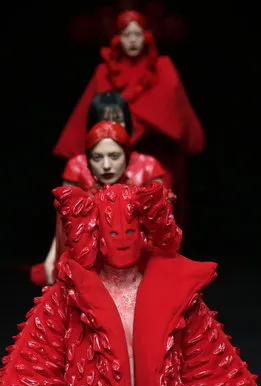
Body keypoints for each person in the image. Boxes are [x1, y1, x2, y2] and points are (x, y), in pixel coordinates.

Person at [0, 182, 261, 386]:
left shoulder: (176, 292)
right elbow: (35, 379)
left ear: (143, 230)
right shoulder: (67, 295)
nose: (121, 237)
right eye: (112, 230)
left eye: (129, 228)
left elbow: (214, 382)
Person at [52, 9, 204, 230]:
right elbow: (91, 112)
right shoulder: (105, 71)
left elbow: (173, 112)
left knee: (159, 211)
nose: (132, 40)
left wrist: (146, 124)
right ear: (118, 39)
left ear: (146, 36)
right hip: (112, 154)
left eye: (137, 34)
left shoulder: (163, 67)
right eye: (126, 35)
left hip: (155, 152)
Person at [30, 118, 169, 287]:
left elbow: (163, 244)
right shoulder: (78, 203)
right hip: (89, 282)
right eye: (97, 157)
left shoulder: (144, 198)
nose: (106, 165)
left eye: (114, 156)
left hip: (140, 278)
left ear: (126, 157)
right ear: (88, 161)